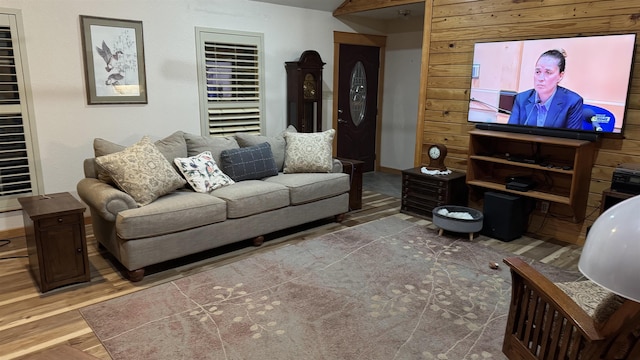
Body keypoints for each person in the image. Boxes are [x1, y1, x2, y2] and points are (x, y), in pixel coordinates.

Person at [508, 49, 583, 129]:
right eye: (538, 72)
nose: (540, 78)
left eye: (548, 72)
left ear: (560, 76)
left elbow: (571, 140)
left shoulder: (572, 102)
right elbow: (510, 134)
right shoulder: (521, 99)